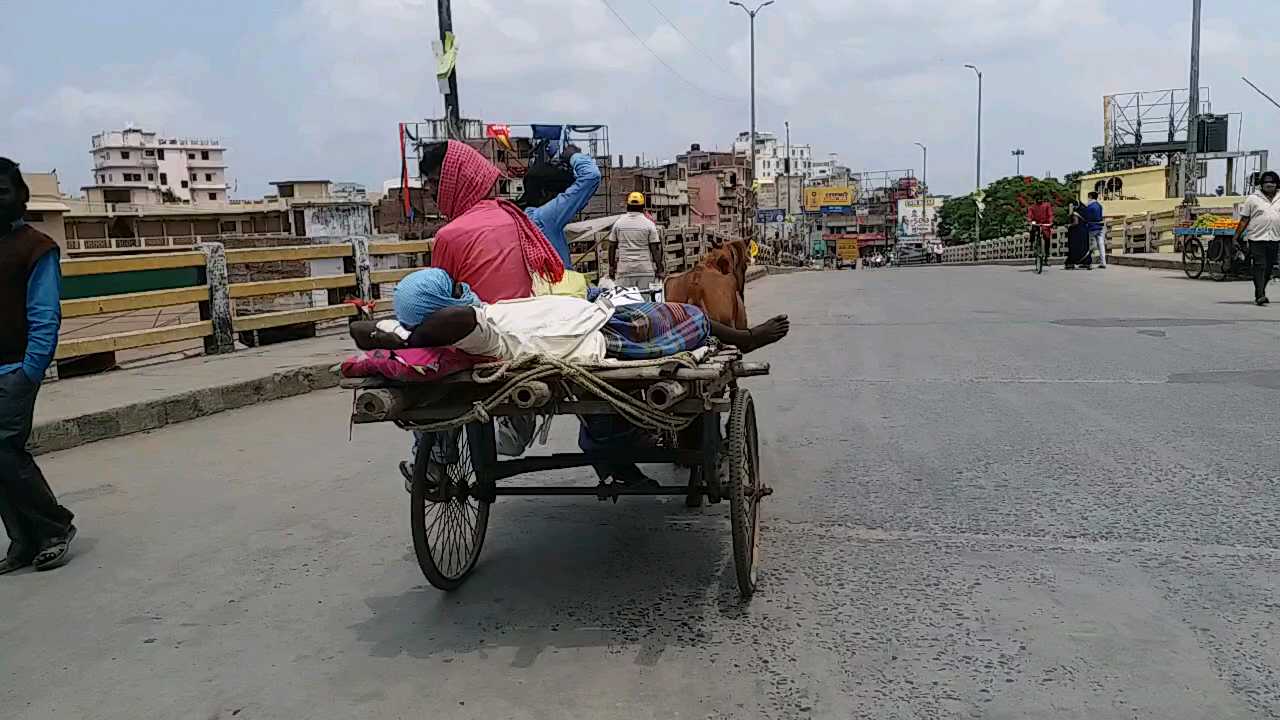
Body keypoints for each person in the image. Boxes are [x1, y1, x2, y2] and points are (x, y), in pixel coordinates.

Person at [0, 158, 75, 574]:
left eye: (2, 192)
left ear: (20, 197)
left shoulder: (36, 248)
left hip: (14, 369)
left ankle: (53, 526)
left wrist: (30, 369)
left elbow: (45, 315)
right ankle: (22, 540)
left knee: (5, 450)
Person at [521, 144, 601, 267]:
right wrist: (573, 156)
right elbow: (592, 175)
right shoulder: (545, 219)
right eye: (561, 194)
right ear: (545, 193)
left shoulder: (519, 220)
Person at [1234, 170, 1280, 306]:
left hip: (1275, 237)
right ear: (1261, 184)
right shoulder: (1253, 198)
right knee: (1260, 265)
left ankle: (1260, 290)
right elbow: (1244, 219)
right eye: (1266, 182)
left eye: (1272, 182)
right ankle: (1260, 295)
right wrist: (1236, 237)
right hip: (1256, 237)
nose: (1269, 185)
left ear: (1277, 184)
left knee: (1269, 266)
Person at [609, 192, 663, 289]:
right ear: (642, 207)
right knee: (645, 302)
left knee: (625, 302)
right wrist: (660, 269)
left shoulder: (618, 223)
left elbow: (612, 246)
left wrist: (611, 267)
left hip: (624, 271)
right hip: (645, 271)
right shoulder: (649, 224)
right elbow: (655, 249)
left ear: (628, 206)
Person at [1026, 197, 1054, 266]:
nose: (1039, 200)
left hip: (1045, 224)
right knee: (1032, 231)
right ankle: (1032, 244)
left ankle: (1046, 257)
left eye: (1040, 198)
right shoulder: (1032, 207)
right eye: (1038, 198)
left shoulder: (1047, 205)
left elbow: (1050, 214)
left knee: (1047, 238)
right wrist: (1029, 220)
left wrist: (1050, 222)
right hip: (1036, 223)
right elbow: (1030, 215)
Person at [1084, 191, 1106, 268]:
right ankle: (1103, 262)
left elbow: (1086, 217)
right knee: (1101, 245)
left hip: (1092, 227)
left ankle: (1088, 262)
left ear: (1090, 197)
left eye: (1088, 197)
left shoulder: (1089, 206)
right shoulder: (1099, 206)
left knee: (1089, 245)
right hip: (1100, 226)